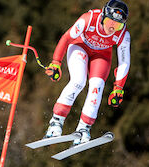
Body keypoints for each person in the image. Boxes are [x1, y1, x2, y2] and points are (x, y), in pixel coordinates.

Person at [44, 0, 131, 146]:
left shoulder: (123, 34)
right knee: (78, 81)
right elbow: (67, 37)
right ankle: (56, 122)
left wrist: (118, 88)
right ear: (103, 16)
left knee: (97, 86)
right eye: (110, 22)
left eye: (118, 25)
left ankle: (83, 129)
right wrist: (56, 62)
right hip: (80, 46)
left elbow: (124, 62)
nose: (112, 27)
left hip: (102, 55)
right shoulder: (89, 19)